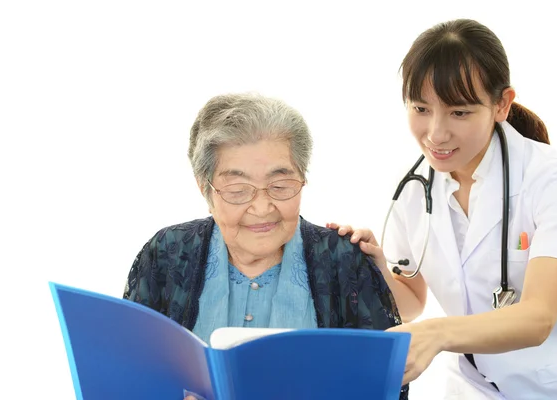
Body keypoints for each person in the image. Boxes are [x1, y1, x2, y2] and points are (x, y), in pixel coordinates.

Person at [122, 92, 409, 399]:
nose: (261, 208)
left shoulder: (344, 261)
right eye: (237, 189)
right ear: (206, 189)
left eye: (280, 186)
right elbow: (127, 372)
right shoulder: (166, 253)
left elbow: (387, 387)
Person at [328, 18, 557, 399]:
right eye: (420, 108)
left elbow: (538, 317)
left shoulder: (547, 179)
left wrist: (436, 334)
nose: (435, 133)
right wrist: (377, 268)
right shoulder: (414, 194)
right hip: (474, 387)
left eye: (459, 112)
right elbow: (413, 302)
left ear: (501, 104)